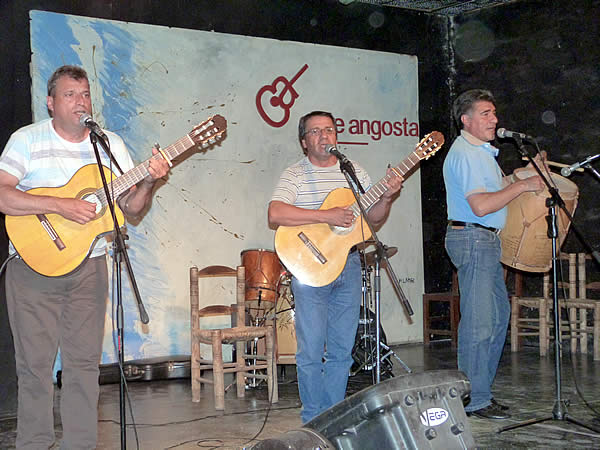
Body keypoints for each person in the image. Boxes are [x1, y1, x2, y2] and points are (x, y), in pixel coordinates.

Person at [0, 65, 170, 448]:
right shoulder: (26, 140)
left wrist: (148, 180)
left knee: (83, 369)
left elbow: (132, 209)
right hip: (32, 267)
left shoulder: (108, 143)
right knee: (35, 370)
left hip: (91, 265)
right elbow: (3, 194)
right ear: (51, 102)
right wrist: (59, 205)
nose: (80, 102)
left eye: (85, 94)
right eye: (70, 95)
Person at [268, 110, 403, 423]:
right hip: (309, 270)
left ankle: (333, 417)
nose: (324, 135)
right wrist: (326, 216)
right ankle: (312, 419)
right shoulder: (295, 174)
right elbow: (275, 213)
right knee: (311, 350)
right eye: (315, 131)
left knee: (342, 350)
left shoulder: (353, 171)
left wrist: (387, 197)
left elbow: (373, 220)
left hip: (350, 264)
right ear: (304, 142)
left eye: (328, 129)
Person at [443, 89, 545, 420]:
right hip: (473, 239)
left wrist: (529, 173)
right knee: (479, 324)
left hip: (482, 240)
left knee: (496, 318)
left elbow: (498, 186)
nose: (494, 119)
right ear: (466, 119)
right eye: (485, 113)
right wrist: (523, 186)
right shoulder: (469, 155)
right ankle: (472, 399)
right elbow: (482, 204)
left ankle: (480, 394)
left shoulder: (481, 153)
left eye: (494, 113)